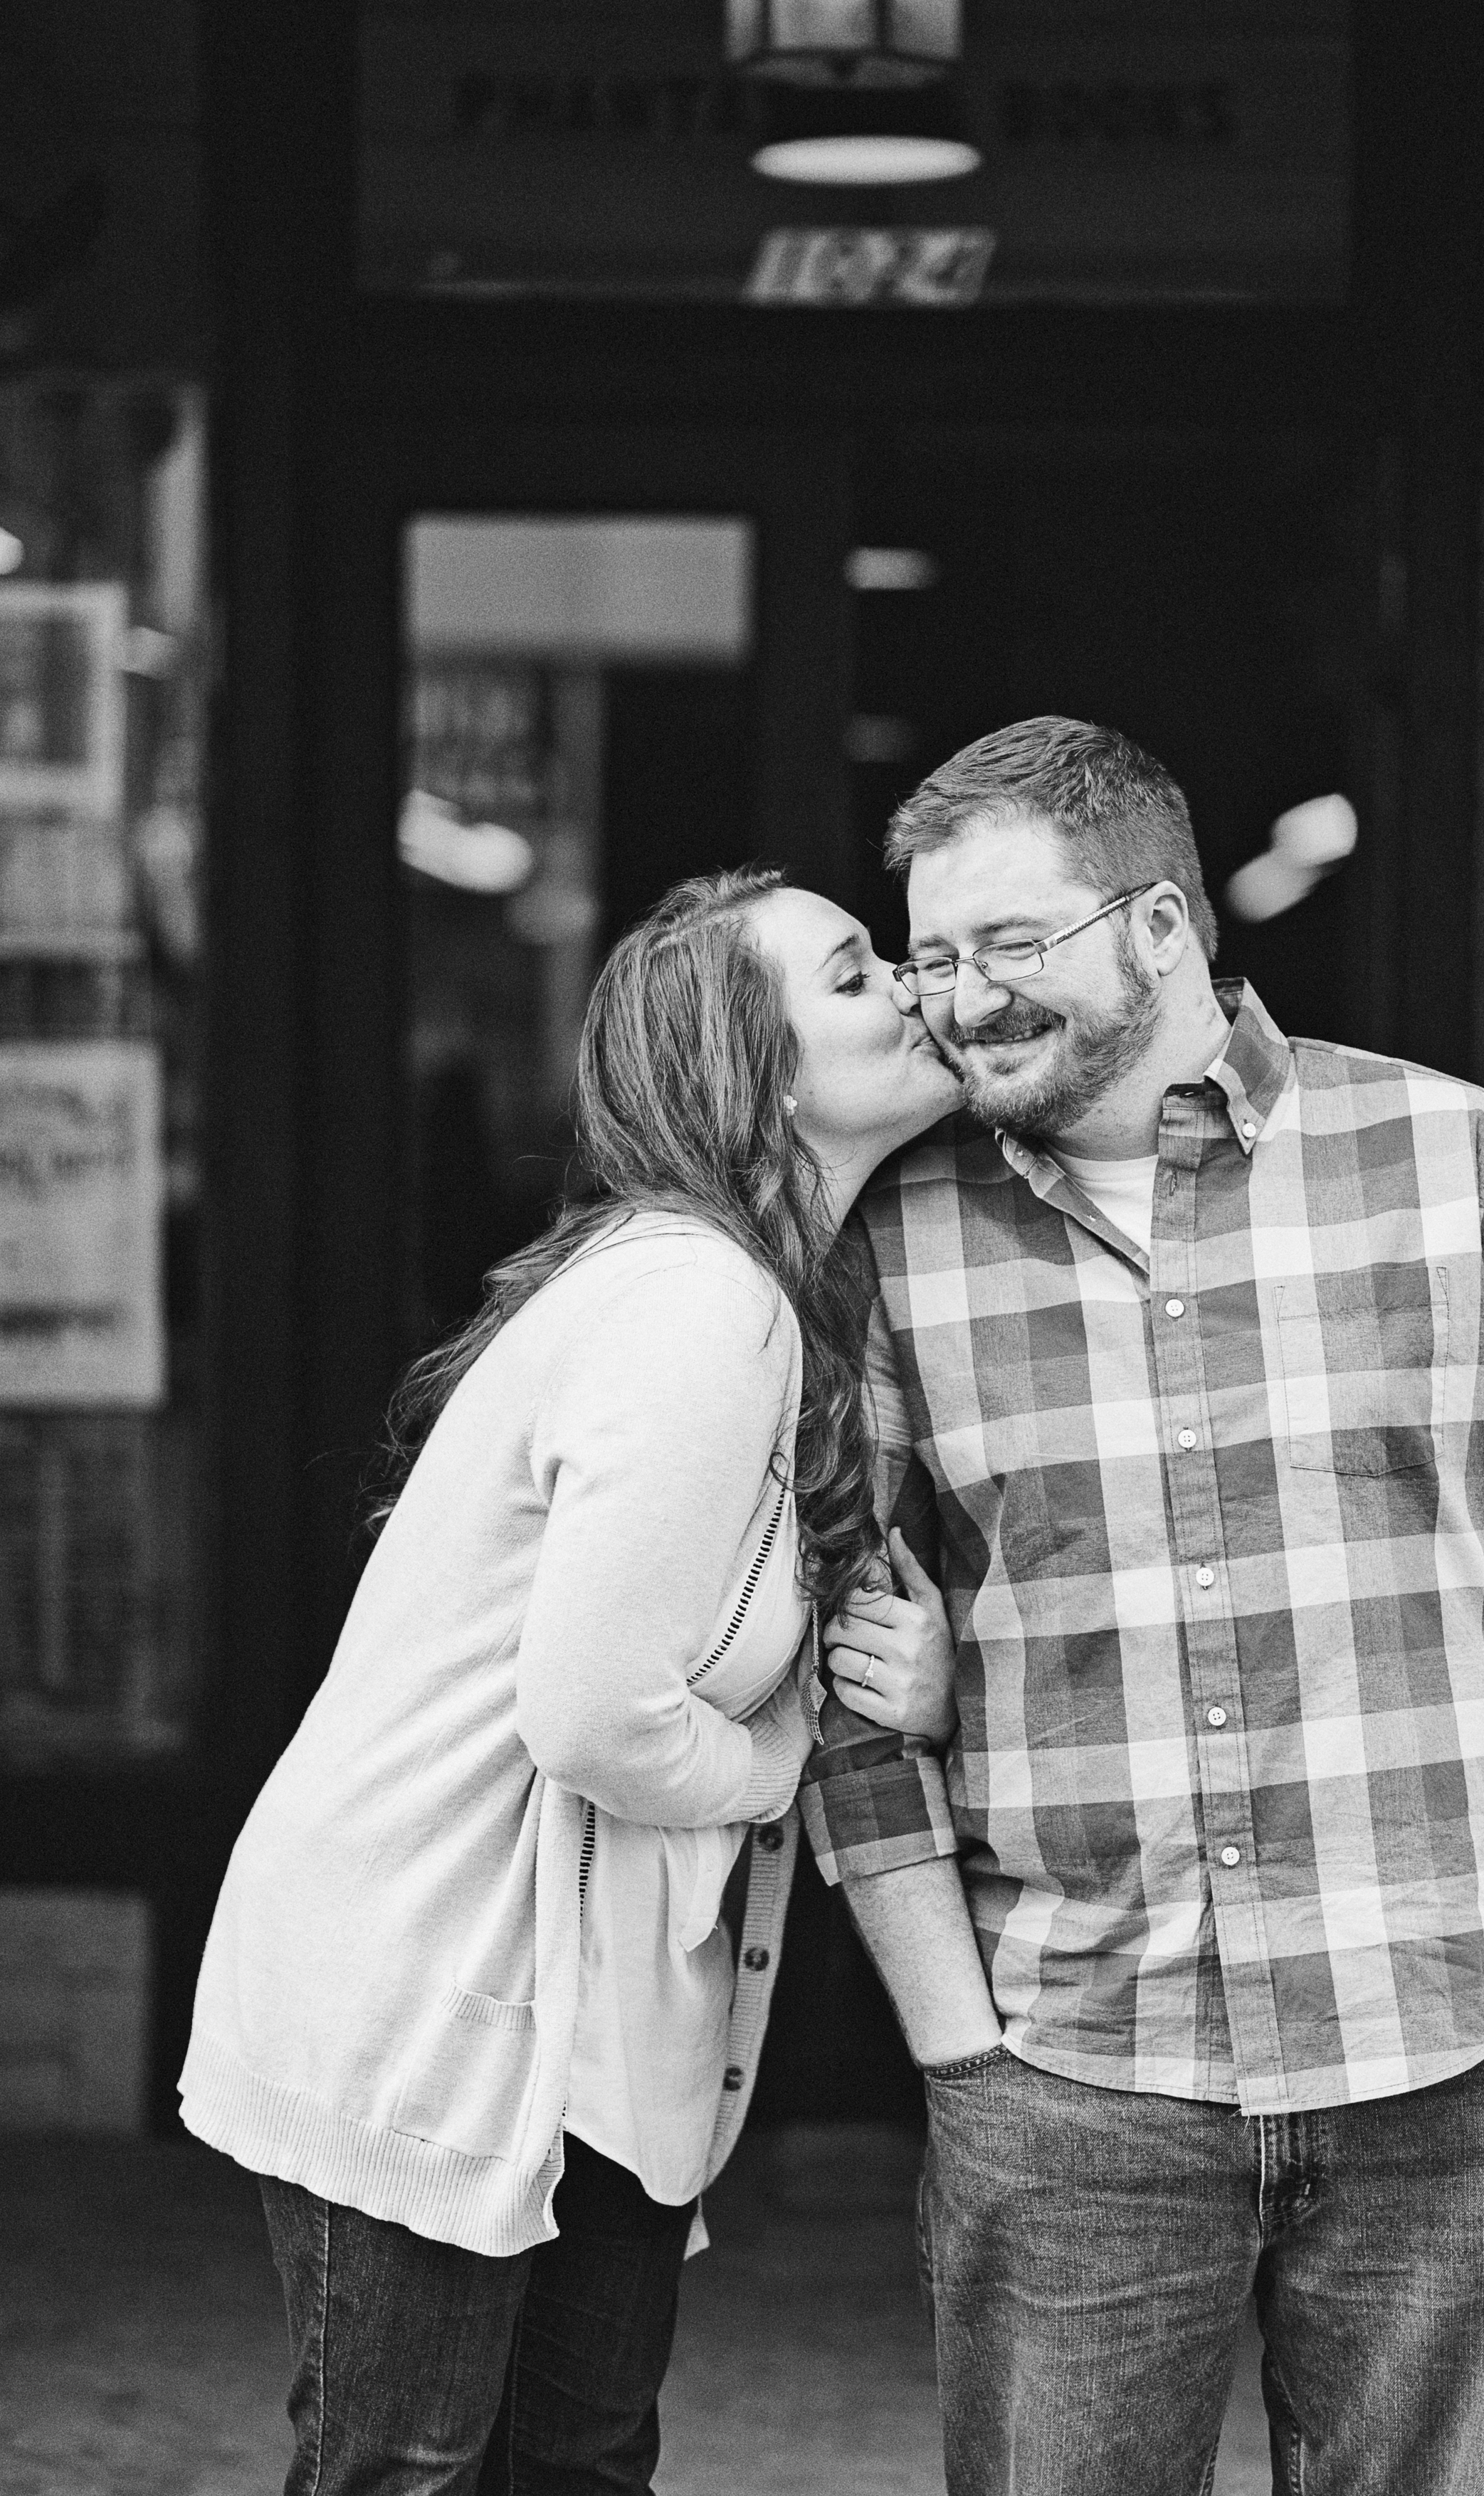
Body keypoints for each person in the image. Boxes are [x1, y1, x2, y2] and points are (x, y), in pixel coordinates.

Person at [803, 717, 1484, 2496]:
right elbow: (830, 1667)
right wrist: (953, 2043)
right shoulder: (893, 1246)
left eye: (1005, 947)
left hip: (1448, 2059)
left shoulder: (1457, 1165)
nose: (956, 1002)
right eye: (930, 956)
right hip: (1066, 2075)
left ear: (1157, 927)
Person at [179, 865, 959, 2496]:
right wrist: (771, 1765)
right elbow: (597, 1713)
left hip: (590, 2022)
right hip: (436, 1987)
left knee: (577, 2467)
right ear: (757, 1073)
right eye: (851, 972)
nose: (909, 981)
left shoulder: (752, 1297)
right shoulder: (698, 1305)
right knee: (415, 2469)